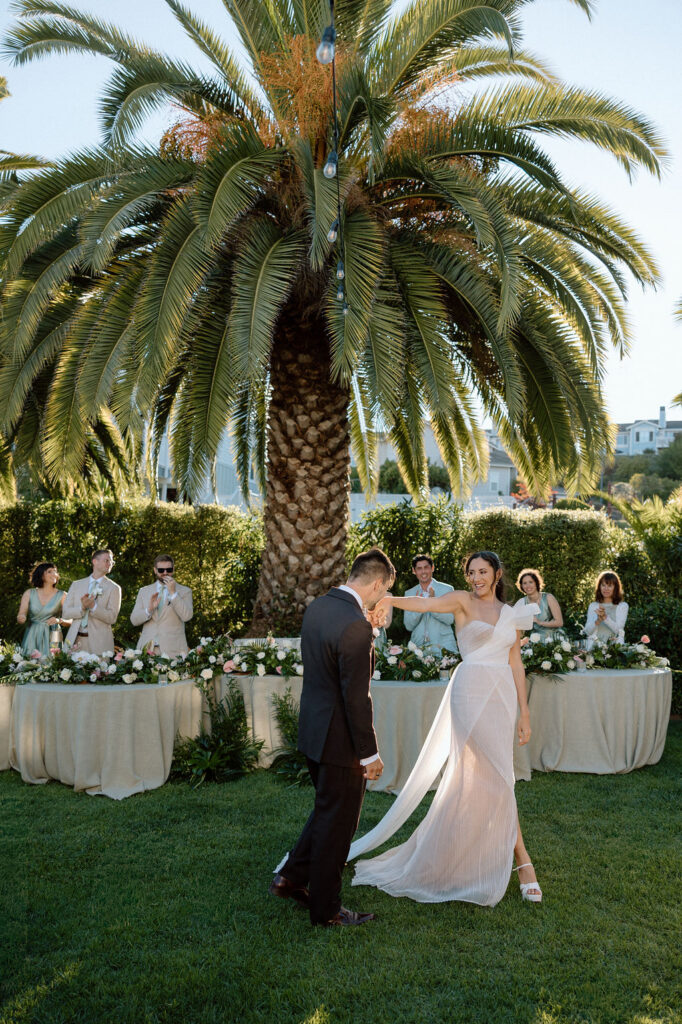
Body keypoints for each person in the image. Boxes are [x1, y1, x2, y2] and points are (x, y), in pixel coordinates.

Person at [347, 550, 542, 906]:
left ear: (498, 574)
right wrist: (387, 598)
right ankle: (523, 861)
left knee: (498, 777)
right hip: (469, 691)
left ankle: (471, 851)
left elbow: (516, 663)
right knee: (496, 774)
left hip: (501, 698)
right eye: (472, 572)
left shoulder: (511, 614)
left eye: (483, 572)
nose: (477, 578)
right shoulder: (460, 601)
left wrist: (525, 713)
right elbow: (422, 607)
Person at [270, 547, 396, 927]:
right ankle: (327, 911)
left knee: (326, 811)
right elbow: (356, 698)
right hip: (341, 743)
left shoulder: (320, 607)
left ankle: (290, 877)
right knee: (338, 826)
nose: (381, 598)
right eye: (384, 591)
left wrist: (368, 626)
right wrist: (369, 754)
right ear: (377, 583)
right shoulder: (355, 625)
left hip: (313, 731)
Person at [130, 554, 193, 657]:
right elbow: (134, 620)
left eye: (169, 569)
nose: (165, 573)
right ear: (155, 570)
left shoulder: (185, 591)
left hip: (174, 651)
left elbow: (187, 616)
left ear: (173, 569)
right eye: (161, 570)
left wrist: (173, 594)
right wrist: (149, 610)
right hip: (146, 651)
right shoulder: (144, 591)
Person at [63, 549, 121, 655]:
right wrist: (82, 608)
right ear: (95, 561)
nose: (110, 564)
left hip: (100, 644)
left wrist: (94, 606)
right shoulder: (76, 585)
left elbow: (112, 618)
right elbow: (65, 612)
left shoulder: (114, 588)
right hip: (74, 641)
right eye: (107, 560)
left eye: (111, 562)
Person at [403, 554, 457, 655]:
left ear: (432, 568)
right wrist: (420, 607)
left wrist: (431, 604)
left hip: (443, 647)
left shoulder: (447, 589)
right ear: (414, 571)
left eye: (426, 567)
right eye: (419, 568)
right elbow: (409, 626)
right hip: (418, 650)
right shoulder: (409, 593)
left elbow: (450, 619)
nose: (423, 572)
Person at [16, 562, 70, 657]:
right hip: (32, 634)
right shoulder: (29, 593)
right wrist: (21, 617)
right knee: (29, 665)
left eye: (55, 572)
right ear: (41, 575)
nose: (55, 574)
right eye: (50, 571)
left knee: (53, 666)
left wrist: (59, 620)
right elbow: (21, 614)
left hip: (54, 635)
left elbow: (71, 620)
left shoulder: (63, 595)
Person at [515, 568, 564, 640]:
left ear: (536, 583)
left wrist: (539, 622)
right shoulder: (521, 602)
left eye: (531, 582)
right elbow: (518, 626)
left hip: (553, 640)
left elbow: (559, 622)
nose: (528, 585)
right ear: (521, 586)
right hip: (535, 641)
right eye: (524, 583)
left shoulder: (548, 597)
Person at [584, 571, 628, 649]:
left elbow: (618, 631)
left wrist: (605, 617)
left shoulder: (622, 606)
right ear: (599, 587)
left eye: (610, 585)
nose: (606, 589)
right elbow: (587, 631)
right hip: (595, 649)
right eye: (603, 585)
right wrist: (597, 621)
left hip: (615, 651)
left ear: (615, 587)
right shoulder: (593, 606)